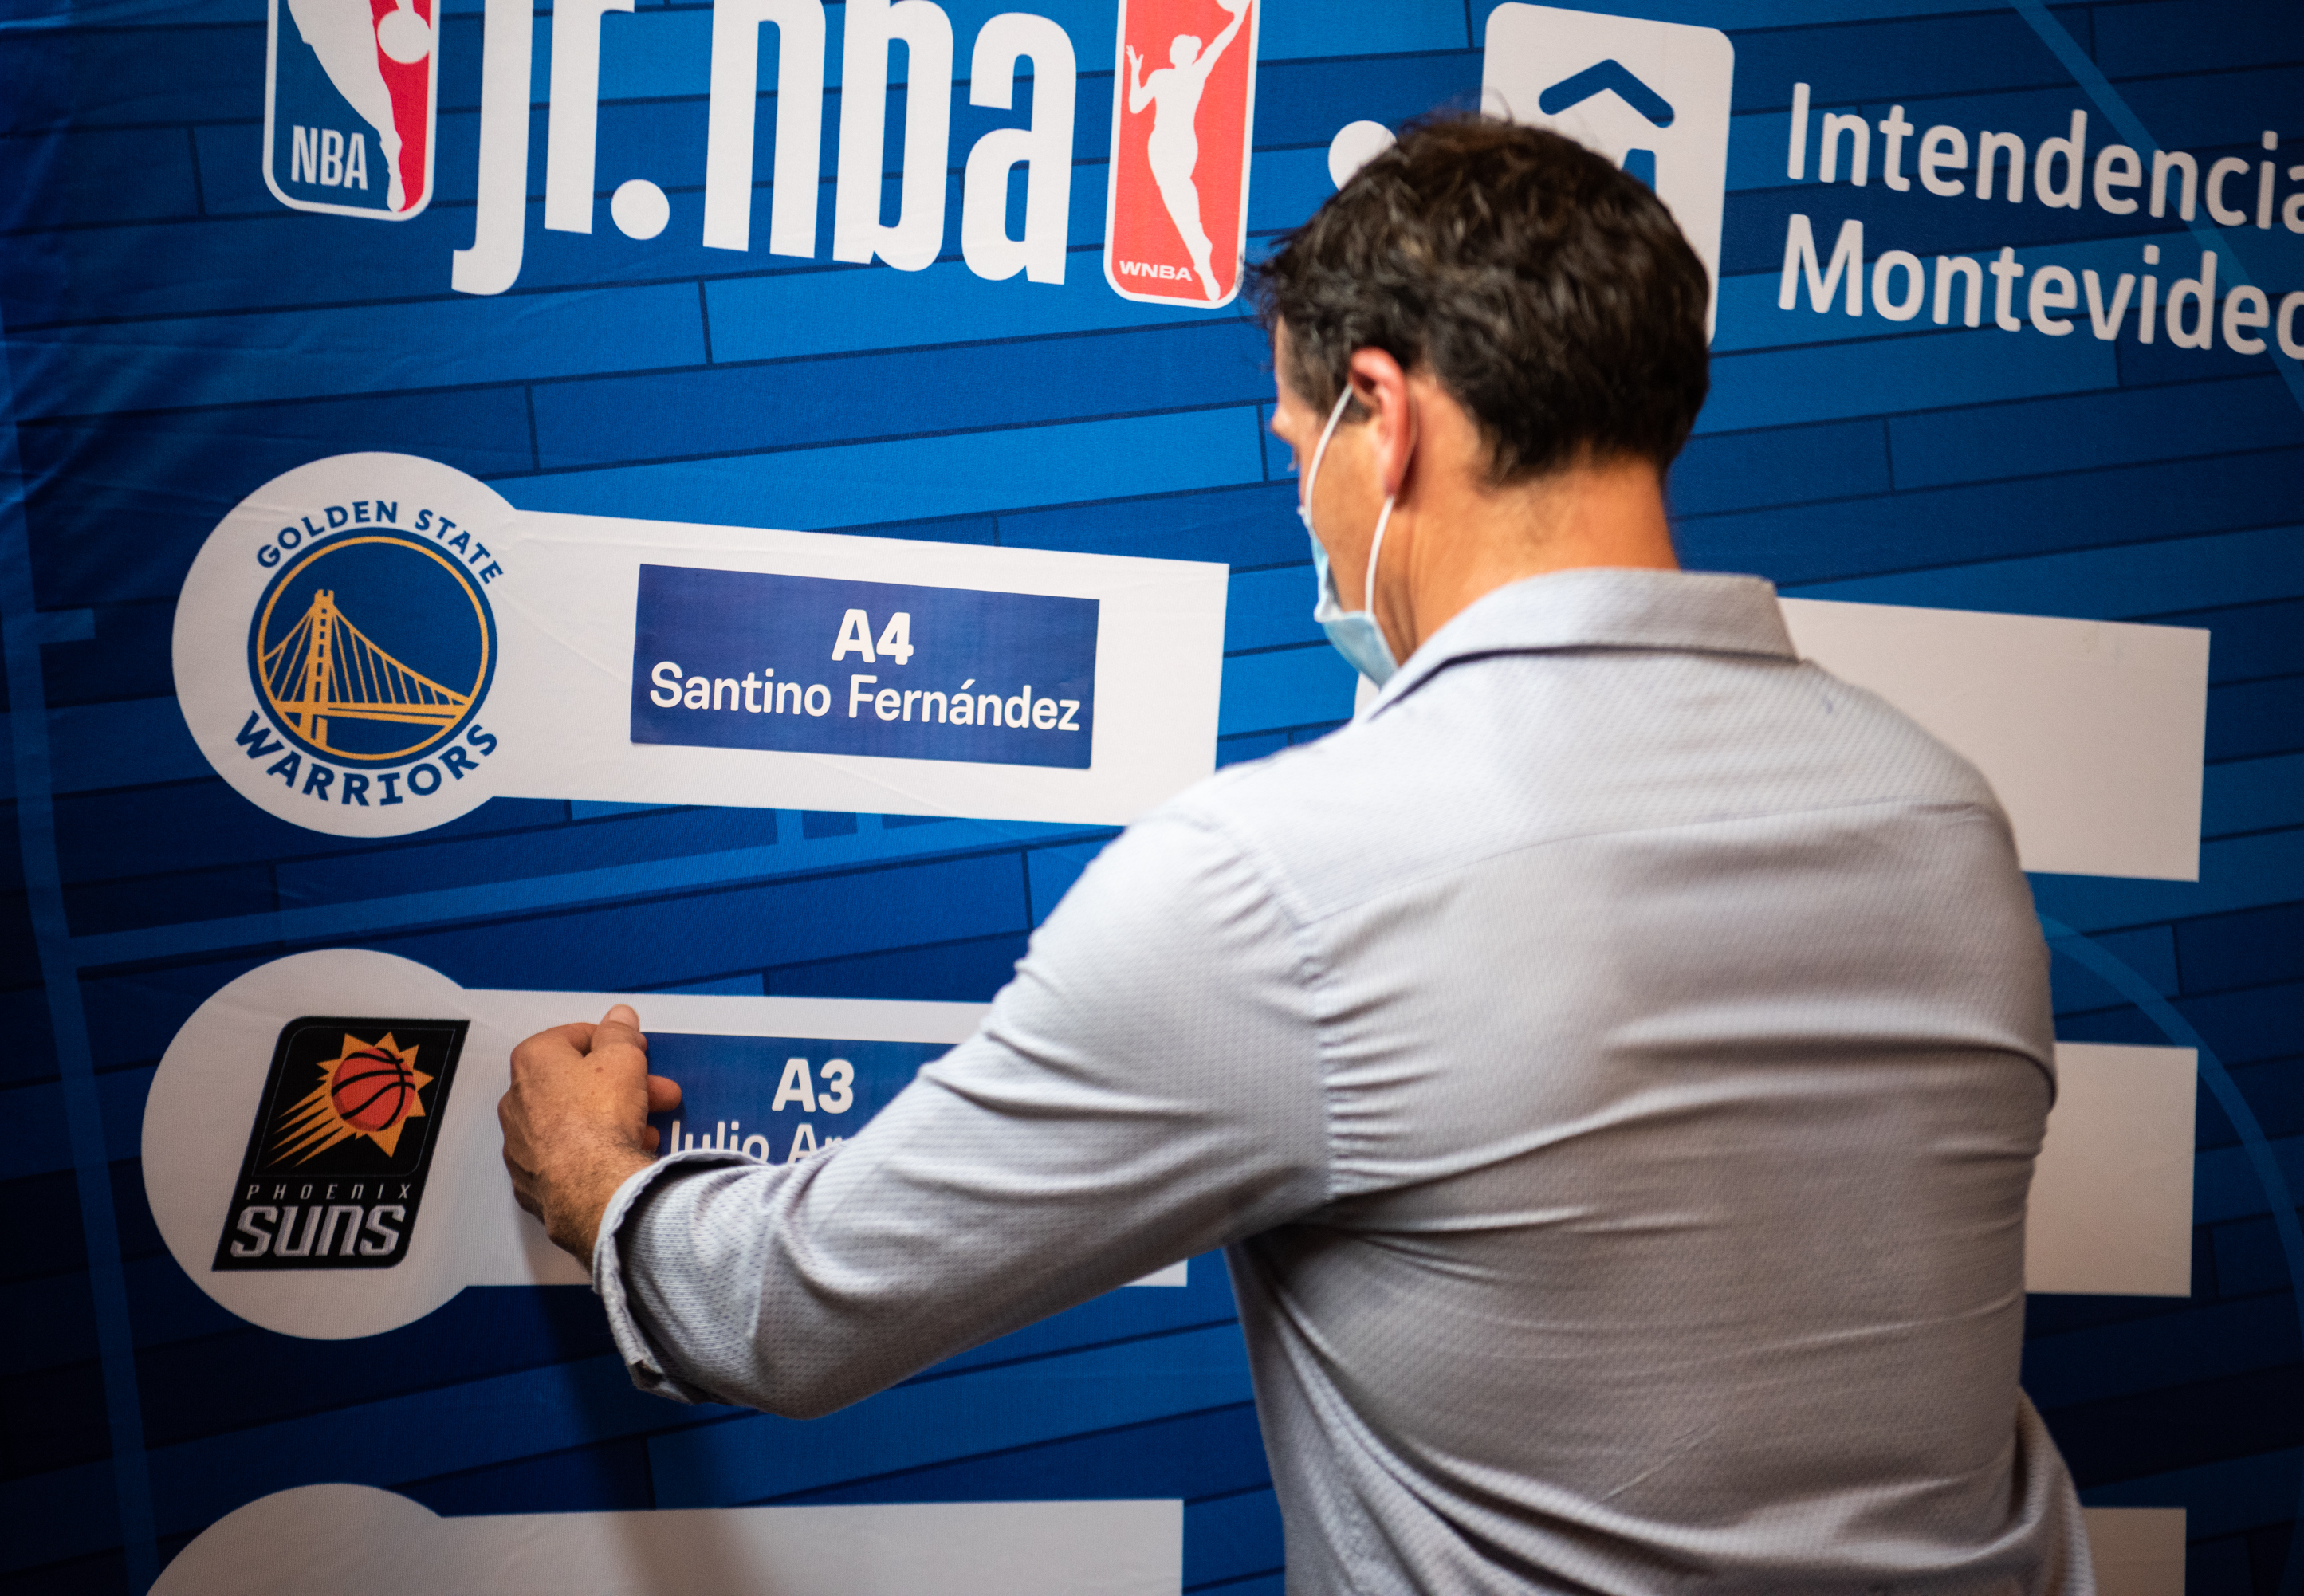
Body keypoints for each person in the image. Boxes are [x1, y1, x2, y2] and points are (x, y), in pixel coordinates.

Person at [500, 117, 2094, 1593]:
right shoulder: (1940, 813)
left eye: (1296, 443)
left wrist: (599, 1182)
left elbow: (794, 1309)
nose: (1309, 513)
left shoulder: (1287, 880)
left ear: (1382, 419)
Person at [1125, 0, 1252, 301]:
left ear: (1185, 54)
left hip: (1176, 143)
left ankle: (1202, 257)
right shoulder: (1165, 76)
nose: (1171, 50)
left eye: (1176, 48)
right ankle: (1201, 251)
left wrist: (1239, 18)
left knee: (1178, 197)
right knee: (1176, 199)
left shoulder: (1191, 74)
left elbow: (1219, 45)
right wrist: (1135, 71)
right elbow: (1135, 106)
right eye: (1172, 47)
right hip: (1164, 143)